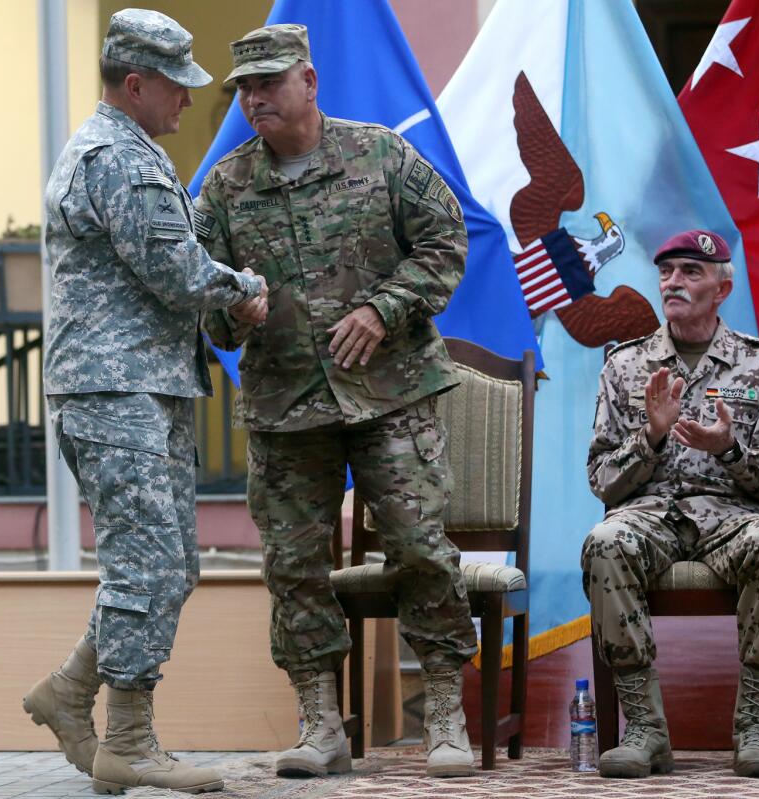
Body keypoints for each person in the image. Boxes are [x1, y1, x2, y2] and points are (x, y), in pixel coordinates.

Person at [195, 24, 478, 779]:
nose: (255, 100)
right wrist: (234, 315)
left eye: (269, 83)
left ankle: (445, 707)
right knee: (292, 564)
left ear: (310, 81)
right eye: (244, 90)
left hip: (391, 395)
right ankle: (321, 718)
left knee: (419, 547)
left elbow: (447, 241)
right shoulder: (224, 188)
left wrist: (386, 308)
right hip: (288, 407)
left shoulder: (381, 154)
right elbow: (205, 297)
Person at [22, 9, 267, 795]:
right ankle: (128, 740)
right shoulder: (117, 159)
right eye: (177, 86)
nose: (191, 101)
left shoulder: (127, 151)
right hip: (112, 387)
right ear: (136, 85)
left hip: (141, 383)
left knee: (172, 563)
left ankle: (68, 689)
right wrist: (248, 289)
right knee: (145, 563)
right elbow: (178, 272)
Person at [581, 229, 759, 779]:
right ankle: (646, 729)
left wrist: (729, 451)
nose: (673, 282)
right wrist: (649, 440)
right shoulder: (626, 364)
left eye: (690, 272)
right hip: (649, 515)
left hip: (732, 517)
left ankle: (754, 727)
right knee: (605, 542)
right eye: (667, 272)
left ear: (722, 288)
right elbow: (603, 480)